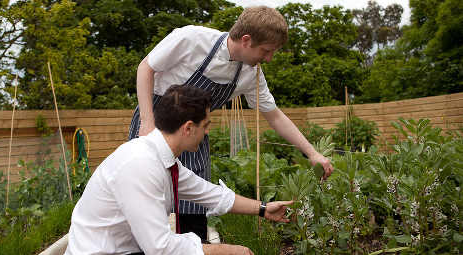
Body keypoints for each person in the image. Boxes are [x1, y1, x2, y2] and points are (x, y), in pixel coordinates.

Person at [128, 6, 334, 240]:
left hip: (195, 134)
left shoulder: (251, 74)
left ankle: (196, 245)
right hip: (156, 121)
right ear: (246, 40)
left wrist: (312, 153)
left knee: (194, 204)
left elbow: (274, 115)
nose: (268, 59)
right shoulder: (192, 39)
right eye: (266, 51)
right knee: (146, 194)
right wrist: (147, 121)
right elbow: (146, 67)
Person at [65, 85, 293, 255]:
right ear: (188, 128)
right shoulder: (140, 166)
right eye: (205, 126)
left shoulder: (164, 160)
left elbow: (209, 193)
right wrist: (229, 251)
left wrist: (263, 209)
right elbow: (160, 248)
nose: (207, 134)